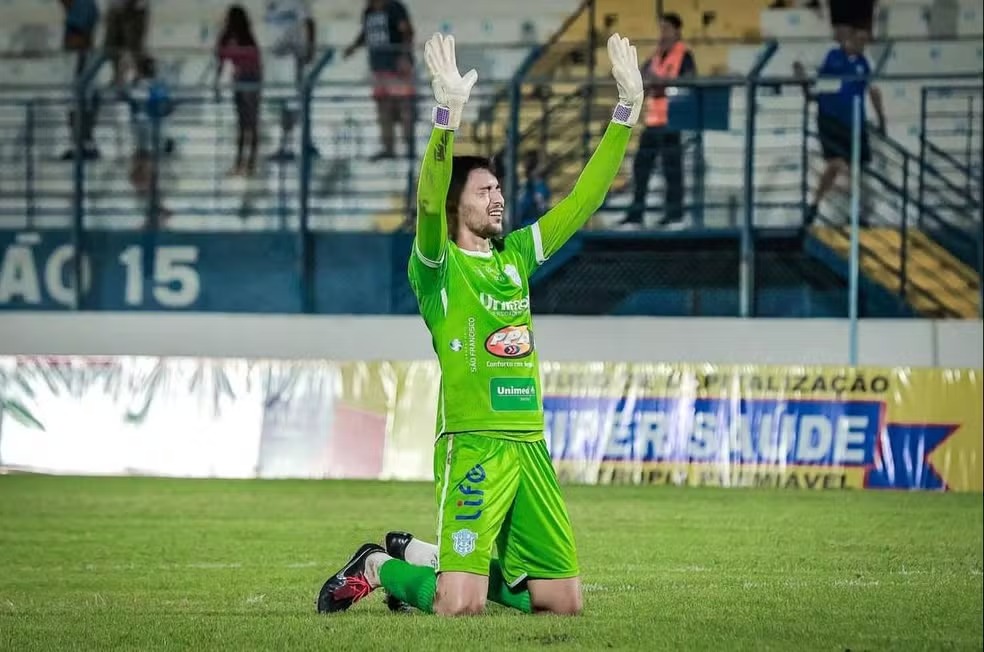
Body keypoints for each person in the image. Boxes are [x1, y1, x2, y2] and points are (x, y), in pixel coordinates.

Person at [315, 31, 645, 617]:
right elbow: (425, 200)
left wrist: (626, 112)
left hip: (530, 445)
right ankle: (377, 566)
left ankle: (418, 552)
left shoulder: (515, 256)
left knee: (561, 604)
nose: (498, 199)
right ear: (457, 205)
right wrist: (447, 116)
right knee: (458, 606)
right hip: (473, 444)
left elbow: (582, 202)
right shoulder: (437, 268)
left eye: (499, 190)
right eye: (485, 191)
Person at [798, 28, 885, 224]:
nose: (862, 45)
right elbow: (816, 83)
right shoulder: (832, 56)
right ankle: (816, 205)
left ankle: (853, 212)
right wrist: (803, 80)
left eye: (865, 42)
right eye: (859, 40)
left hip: (855, 121)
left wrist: (881, 119)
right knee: (836, 163)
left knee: (856, 168)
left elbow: (873, 90)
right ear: (849, 40)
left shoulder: (864, 63)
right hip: (831, 119)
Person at [619, 13, 696, 230]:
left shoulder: (684, 55)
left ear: (676, 31)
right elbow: (640, 77)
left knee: (672, 169)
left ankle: (675, 215)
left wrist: (666, 82)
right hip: (653, 120)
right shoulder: (655, 56)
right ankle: (636, 216)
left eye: (666, 29)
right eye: (660, 29)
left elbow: (690, 80)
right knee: (641, 167)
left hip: (672, 119)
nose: (662, 34)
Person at [343, 0, 415, 161]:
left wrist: (404, 55)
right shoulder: (368, 11)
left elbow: (407, 31)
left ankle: (409, 147)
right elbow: (365, 33)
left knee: (403, 107)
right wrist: (353, 48)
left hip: (396, 66)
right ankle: (388, 148)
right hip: (378, 67)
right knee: (383, 108)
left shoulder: (394, 7)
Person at [264, 0, 317, 161]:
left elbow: (309, 23)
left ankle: (304, 143)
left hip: (293, 59)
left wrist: (310, 51)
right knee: (283, 106)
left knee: (296, 104)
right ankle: (285, 145)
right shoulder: (270, 5)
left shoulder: (296, 3)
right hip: (277, 60)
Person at [215, 5, 263, 177]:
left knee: (251, 123)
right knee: (243, 124)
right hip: (241, 80)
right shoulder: (229, 37)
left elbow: (254, 62)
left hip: (250, 80)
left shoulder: (246, 39)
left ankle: (249, 164)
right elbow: (220, 58)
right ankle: (240, 163)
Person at [59, 0, 101, 160]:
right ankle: (79, 143)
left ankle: (84, 144)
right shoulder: (82, 7)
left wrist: (81, 67)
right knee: (74, 105)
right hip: (78, 60)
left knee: (81, 106)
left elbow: (81, 37)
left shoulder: (84, 6)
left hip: (81, 60)